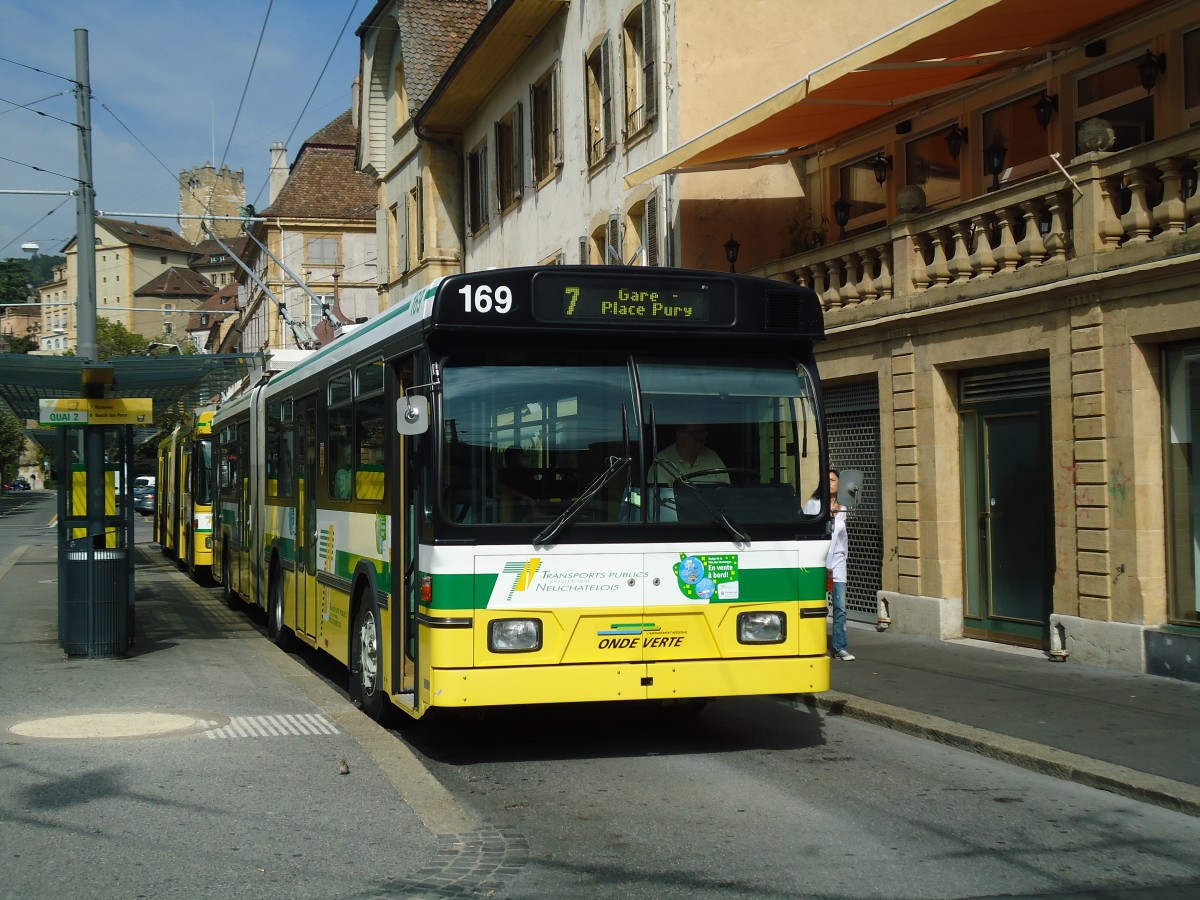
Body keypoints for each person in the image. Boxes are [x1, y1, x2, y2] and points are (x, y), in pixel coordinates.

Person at [806, 468, 853, 661]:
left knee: (840, 605)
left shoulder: (844, 506)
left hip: (838, 560)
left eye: (834, 480)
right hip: (819, 560)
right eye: (827, 480)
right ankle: (812, 643)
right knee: (817, 604)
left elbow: (841, 535)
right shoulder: (813, 504)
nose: (830, 483)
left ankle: (840, 647)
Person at [649, 425, 730, 484]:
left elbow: (725, 491)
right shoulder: (662, 462)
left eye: (702, 433)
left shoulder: (712, 457)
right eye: (694, 433)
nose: (700, 438)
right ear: (679, 436)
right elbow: (661, 501)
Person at [496, 446, 540, 512]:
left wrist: (530, 500)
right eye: (514, 459)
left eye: (519, 459)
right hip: (506, 509)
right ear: (507, 460)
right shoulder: (503, 474)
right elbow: (500, 487)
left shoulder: (526, 474)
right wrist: (523, 496)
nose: (517, 462)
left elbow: (534, 493)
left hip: (527, 509)